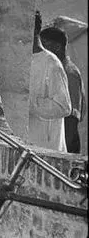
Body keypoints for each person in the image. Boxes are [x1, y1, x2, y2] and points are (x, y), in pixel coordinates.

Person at [28, 12, 72, 152]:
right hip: (26, 146)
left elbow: (63, 106)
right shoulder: (19, 60)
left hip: (46, 150)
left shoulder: (51, 64)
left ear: (33, 29)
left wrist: (29, 103)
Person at [40, 26, 85, 154]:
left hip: (64, 146)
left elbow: (71, 119)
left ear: (57, 47)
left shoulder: (68, 73)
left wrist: (66, 155)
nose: (41, 50)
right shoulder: (55, 68)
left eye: (44, 45)